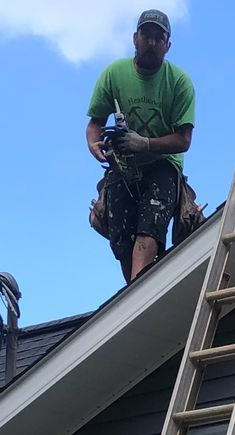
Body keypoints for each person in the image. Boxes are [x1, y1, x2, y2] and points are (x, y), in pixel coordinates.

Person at [86, 9, 196, 283]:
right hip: (124, 167)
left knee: (149, 232)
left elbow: (183, 140)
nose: (152, 42)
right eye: (146, 35)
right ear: (135, 39)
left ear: (168, 45)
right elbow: (95, 124)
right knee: (122, 240)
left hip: (163, 164)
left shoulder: (179, 82)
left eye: (159, 38)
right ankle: (135, 294)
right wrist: (94, 144)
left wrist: (144, 143)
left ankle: (137, 292)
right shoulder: (114, 74)